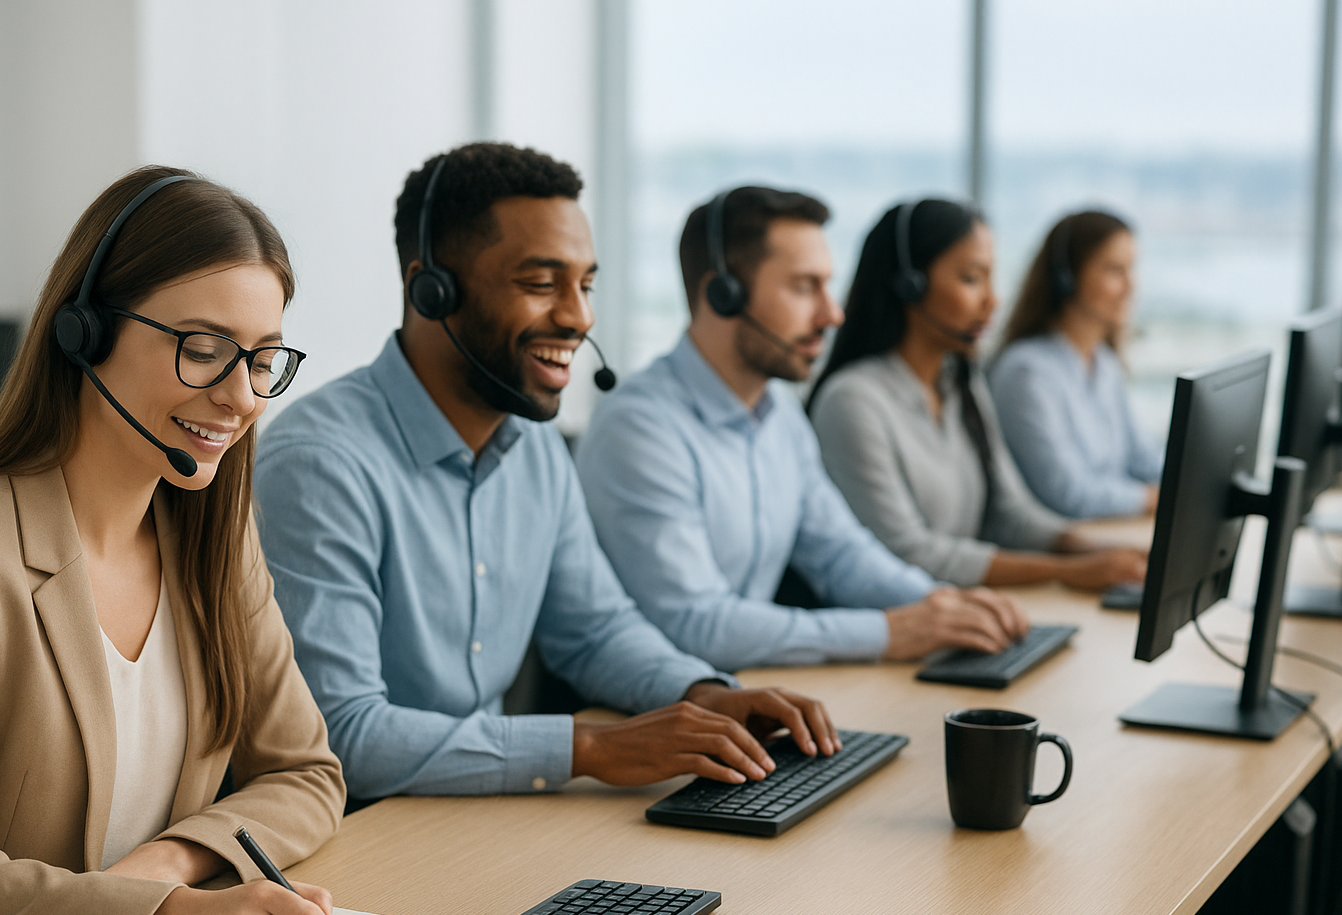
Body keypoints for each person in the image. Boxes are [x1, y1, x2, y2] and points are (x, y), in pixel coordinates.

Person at [0, 168, 348, 915]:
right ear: (85, 334)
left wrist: (174, 862)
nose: (241, 396)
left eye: (264, 361)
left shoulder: (216, 546)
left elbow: (308, 775)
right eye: (203, 349)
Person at [254, 144, 838, 806]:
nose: (578, 317)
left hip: (484, 815)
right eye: (541, 284)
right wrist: (590, 747)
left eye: (585, 285)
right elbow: (343, 735)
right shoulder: (319, 465)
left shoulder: (533, 449)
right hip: (358, 844)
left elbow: (595, 630)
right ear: (431, 290)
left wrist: (705, 695)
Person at [575, 187, 1028, 673]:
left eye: (827, 287)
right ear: (721, 295)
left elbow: (840, 554)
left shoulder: (780, 416)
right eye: (804, 287)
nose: (832, 314)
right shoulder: (641, 429)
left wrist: (943, 604)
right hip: (651, 714)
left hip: (747, 694)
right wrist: (889, 632)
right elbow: (694, 625)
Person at [807, 198, 1147, 590]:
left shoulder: (959, 384)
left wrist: (1097, 550)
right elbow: (907, 553)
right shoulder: (852, 402)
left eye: (991, 278)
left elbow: (1009, 514)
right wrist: (1065, 573)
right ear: (909, 284)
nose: (992, 300)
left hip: (961, 610)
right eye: (971, 279)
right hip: (902, 631)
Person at [988, 210, 1163, 519]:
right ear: (1066, 277)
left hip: (1103, 531)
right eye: (1114, 270)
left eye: (1131, 269)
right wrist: (1150, 498)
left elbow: (1142, 458)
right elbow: (1066, 493)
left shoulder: (1104, 364)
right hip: (1061, 547)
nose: (1130, 286)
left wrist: (1193, 483)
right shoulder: (1026, 373)